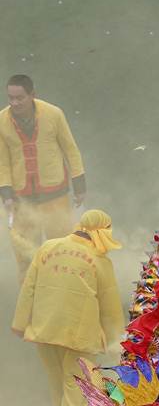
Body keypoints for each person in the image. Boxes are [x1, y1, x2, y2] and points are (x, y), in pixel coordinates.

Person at [12, 209, 124, 406]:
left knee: (58, 383)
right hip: (79, 336)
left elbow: (28, 288)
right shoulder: (100, 261)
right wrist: (118, 343)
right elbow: (111, 310)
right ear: (102, 231)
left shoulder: (48, 247)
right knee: (77, 385)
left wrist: (19, 323)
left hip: (44, 331)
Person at [0, 74, 87, 279]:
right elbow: (2, 163)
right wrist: (7, 195)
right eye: (10, 98)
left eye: (19, 98)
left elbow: (70, 150)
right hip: (22, 200)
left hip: (55, 195)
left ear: (32, 95)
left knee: (62, 253)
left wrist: (80, 186)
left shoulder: (53, 114)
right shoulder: (1, 121)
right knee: (26, 259)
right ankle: (30, 306)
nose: (15, 103)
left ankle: (64, 298)